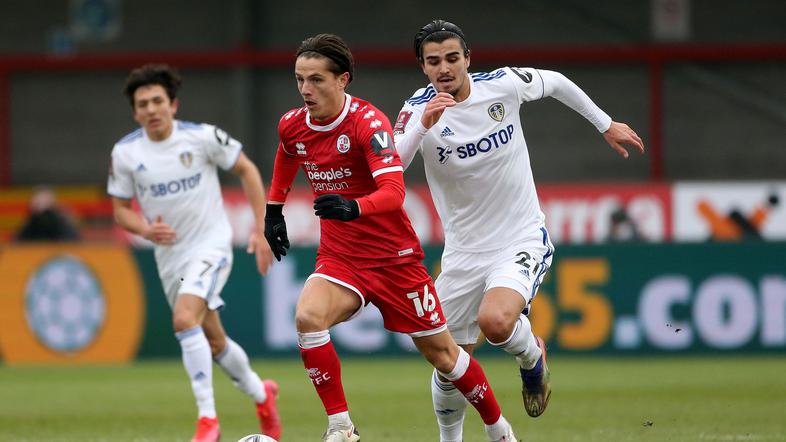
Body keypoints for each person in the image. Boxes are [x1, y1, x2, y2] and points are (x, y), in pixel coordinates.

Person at [393, 20, 645, 442]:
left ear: (468, 59)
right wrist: (423, 126)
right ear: (423, 67)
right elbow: (393, 166)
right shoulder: (416, 110)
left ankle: (532, 357)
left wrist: (604, 124)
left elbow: (557, 82)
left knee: (495, 322)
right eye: (434, 61)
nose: (444, 68)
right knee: (449, 362)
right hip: (463, 252)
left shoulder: (502, 85)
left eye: (452, 58)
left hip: (519, 237)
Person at [264, 33, 518, 442]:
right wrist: (274, 208)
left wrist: (353, 207)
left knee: (445, 357)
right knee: (308, 317)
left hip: (394, 259)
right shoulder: (293, 124)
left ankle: (498, 427)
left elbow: (394, 192)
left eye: (316, 80)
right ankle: (341, 427)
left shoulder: (368, 123)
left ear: (342, 79)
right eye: (300, 79)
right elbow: (288, 151)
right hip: (342, 257)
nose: (305, 89)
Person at [107, 64, 281, 442]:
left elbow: (248, 171)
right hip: (170, 258)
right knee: (213, 340)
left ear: (173, 104)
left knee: (185, 319)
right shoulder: (125, 153)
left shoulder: (202, 138)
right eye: (142, 104)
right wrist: (144, 229)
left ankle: (207, 421)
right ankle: (262, 394)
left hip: (210, 245)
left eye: (157, 101)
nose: (151, 109)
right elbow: (120, 210)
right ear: (135, 112)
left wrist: (261, 228)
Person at [15, 186, 80, 241]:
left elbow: (73, 241)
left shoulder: (62, 223)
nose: (41, 207)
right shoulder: (31, 223)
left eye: (44, 202)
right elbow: (17, 242)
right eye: (38, 203)